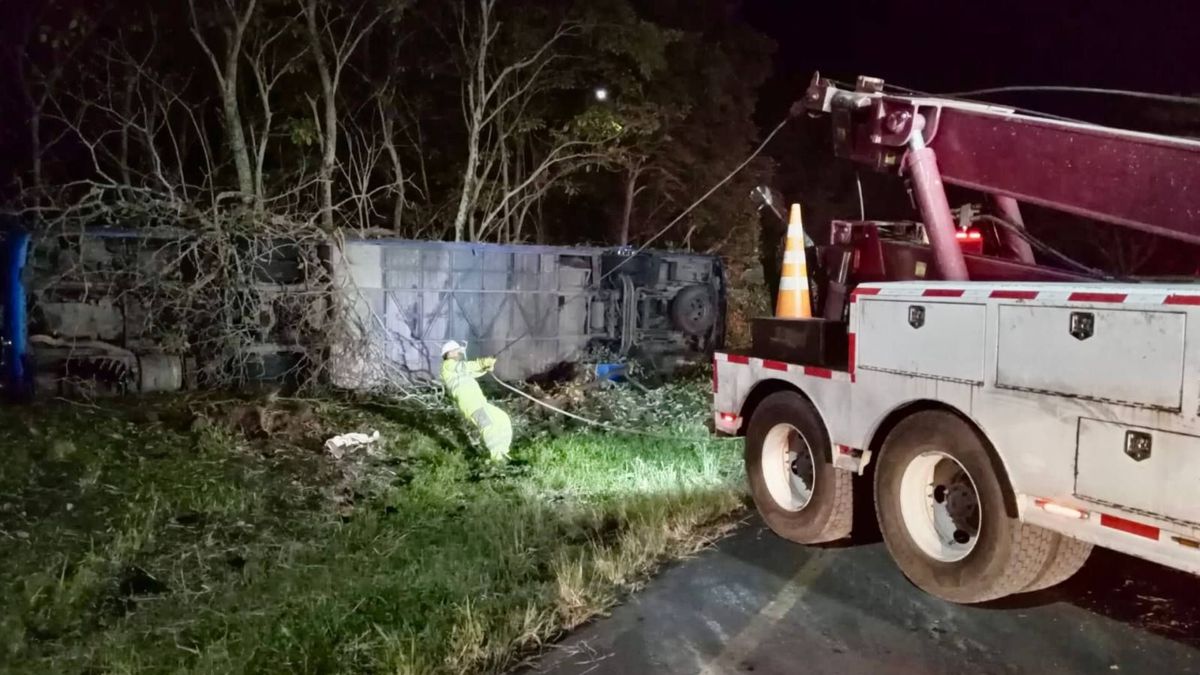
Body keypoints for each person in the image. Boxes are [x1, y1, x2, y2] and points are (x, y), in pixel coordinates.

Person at [440, 340, 512, 462]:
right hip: (470, 404)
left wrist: (485, 367)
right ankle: (497, 458)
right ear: (449, 352)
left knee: (502, 419)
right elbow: (466, 366)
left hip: (479, 402)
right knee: (488, 426)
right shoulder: (448, 365)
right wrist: (482, 362)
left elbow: (474, 371)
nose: (459, 353)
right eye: (457, 351)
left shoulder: (456, 369)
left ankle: (502, 451)